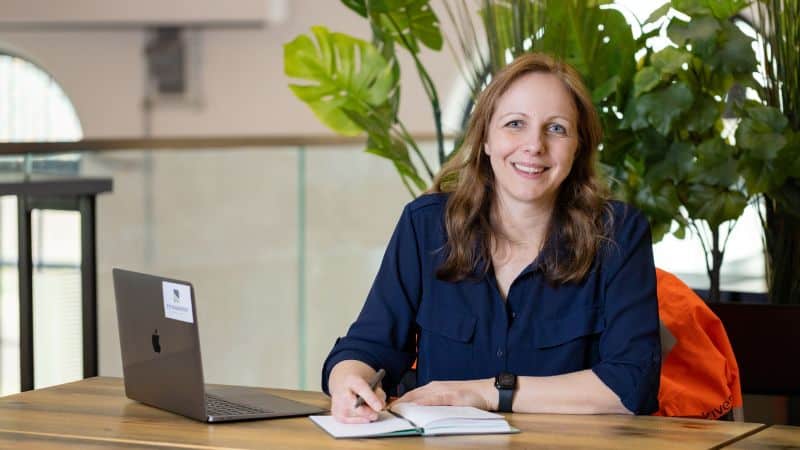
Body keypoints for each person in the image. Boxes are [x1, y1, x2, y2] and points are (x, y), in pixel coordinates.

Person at [322, 52, 661, 423]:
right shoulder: (426, 225)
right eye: (515, 124)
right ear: (484, 139)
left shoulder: (618, 234)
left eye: (557, 128)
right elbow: (369, 346)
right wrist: (349, 382)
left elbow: (632, 385)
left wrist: (484, 393)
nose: (534, 145)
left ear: (578, 146)